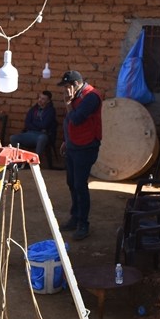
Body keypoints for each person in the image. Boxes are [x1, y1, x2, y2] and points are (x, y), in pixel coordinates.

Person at [59, 71, 103, 241]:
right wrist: (66, 140)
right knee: (72, 182)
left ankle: (83, 224)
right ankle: (75, 217)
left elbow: (76, 119)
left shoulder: (91, 97)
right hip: (73, 145)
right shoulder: (77, 95)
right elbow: (68, 122)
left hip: (86, 146)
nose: (65, 90)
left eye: (67, 86)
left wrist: (69, 104)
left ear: (76, 84)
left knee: (80, 184)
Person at [9, 90, 59, 169]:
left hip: (42, 135)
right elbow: (27, 123)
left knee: (42, 138)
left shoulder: (51, 111)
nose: (40, 100)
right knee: (13, 138)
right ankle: (20, 162)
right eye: (39, 98)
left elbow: (45, 124)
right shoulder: (34, 109)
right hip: (30, 133)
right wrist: (39, 127)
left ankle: (34, 163)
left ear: (48, 101)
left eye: (43, 99)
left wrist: (34, 124)